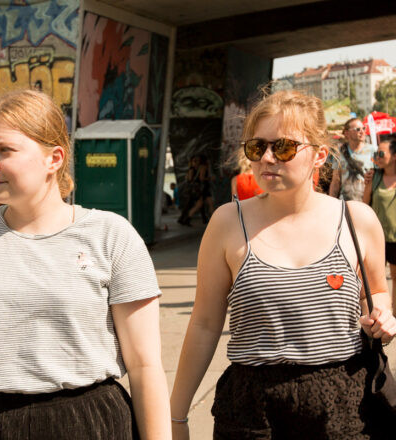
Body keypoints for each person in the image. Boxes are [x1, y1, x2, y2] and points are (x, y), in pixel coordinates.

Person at [170, 90, 396, 439]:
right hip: (251, 410)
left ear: (320, 155)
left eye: (284, 147)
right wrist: (176, 416)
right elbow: (204, 323)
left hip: (343, 404)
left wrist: (380, 314)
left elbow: (376, 290)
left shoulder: (357, 220)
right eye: (257, 148)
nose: (267, 158)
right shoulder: (227, 222)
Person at [0, 90, 171, 440]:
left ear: (53, 158)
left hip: (92, 422)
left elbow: (145, 367)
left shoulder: (111, 235)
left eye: (4, 150)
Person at [363, 137, 396, 316]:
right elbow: (365, 203)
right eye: (376, 153)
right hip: (377, 238)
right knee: (374, 281)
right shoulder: (374, 176)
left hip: (395, 238)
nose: (377, 156)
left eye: (381, 153)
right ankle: (378, 314)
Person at [329, 117, 376, 201]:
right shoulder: (340, 152)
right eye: (358, 129)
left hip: (367, 203)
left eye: (363, 128)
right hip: (345, 203)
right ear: (347, 133)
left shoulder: (373, 151)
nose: (362, 132)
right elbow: (336, 181)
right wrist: (331, 201)